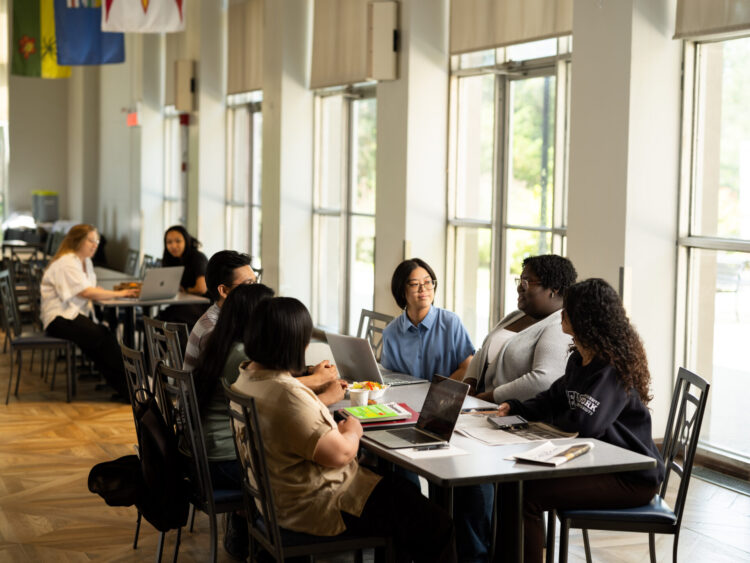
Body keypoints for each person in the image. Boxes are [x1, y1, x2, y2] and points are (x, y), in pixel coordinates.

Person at [232, 297, 457, 563]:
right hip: (316, 504)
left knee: (402, 492)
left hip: (281, 498)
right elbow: (340, 455)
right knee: (436, 523)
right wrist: (353, 429)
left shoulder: (246, 377)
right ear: (292, 343)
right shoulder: (287, 394)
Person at [493, 278, 666, 563]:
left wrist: (551, 425)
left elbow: (586, 425)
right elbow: (553, 397)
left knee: (527, 495)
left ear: (586, 319)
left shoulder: (612, 369)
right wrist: (515, 407)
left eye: (568, 310)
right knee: (512, 484)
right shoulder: (579, 359)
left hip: (632, 477)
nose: (561, 314)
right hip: (598, 464)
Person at [41, 224, 138, 399]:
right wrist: (120, 293)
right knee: (104, 337)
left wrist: (108, 294)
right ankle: (131, 389)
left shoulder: (86, 262)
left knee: (100, 339)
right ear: (77, 241)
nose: (95, 245)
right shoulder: (67, 262)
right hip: (59, 319)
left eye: (97, 241)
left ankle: (126, 388)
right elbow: (85, 292)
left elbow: (91, 289)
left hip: (72, 316)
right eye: (91, 240)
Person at [468, 255, 578, 403]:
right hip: (480, 406)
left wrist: (489, 397)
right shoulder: (515, 316)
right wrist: (469, 385)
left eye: (526, 282)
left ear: (554, 288)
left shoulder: (560, 325)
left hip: (513, 415)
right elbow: (483, 351)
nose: (520, 287)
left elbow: (543, 380)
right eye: (520, 280)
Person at [381, 258, 474, 382]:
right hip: (405, 398)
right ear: (402, 290)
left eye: (428, 282)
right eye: (415, 284)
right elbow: (389, 377)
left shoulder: (451, 323)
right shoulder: (390, 332)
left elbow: (467, 367)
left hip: (444, 397)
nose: (423, 289)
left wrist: (439, 392)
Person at [182, 250, 257, 373]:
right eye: (249, 284)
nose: (256, 289)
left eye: (256, 282)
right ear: (224, 291)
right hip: (203, 392)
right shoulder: (211, 328)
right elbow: (237, 372)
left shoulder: (231, 317)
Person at [157, 225, 209, 329]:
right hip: (184, 304)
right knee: (158, 319)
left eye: (178, 241)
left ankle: (177, 345)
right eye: (169, 242)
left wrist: (185, 291)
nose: (173, 246)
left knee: (167, 319)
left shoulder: (197, 257)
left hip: (204, 307)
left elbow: (201, 288)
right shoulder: (171, 259)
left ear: (186, 240)